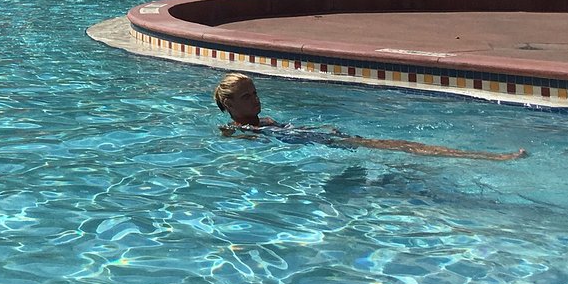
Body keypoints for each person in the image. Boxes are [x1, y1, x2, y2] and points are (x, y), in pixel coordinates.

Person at [213, 74, 526, 160]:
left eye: (254, 92)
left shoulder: (260, 122)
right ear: (229, 104)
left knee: (396, 145)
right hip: (321, 143)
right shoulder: (240, 128)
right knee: (396, 145)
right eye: (246, 97)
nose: (255, 100)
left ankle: (480, 156)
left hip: (322, 137)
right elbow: (236, 136)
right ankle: (487, 157)